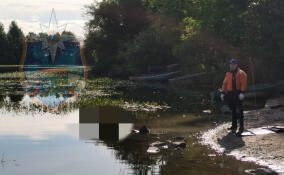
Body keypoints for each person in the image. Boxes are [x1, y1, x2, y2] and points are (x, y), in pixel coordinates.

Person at [220, 59, 247, 136]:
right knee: (233, 110)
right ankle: (234, 126)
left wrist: (242, 92)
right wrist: (222, 92)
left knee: (240, 111)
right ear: (229, 65)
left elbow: (243, 83)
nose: (232, 66)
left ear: (236, 65)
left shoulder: (242, 73)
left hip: (238, 93)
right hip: (230, 94)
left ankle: (241, 127)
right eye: (231, 64)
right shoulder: (228, 74)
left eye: (234, 64)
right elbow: (224, 84)